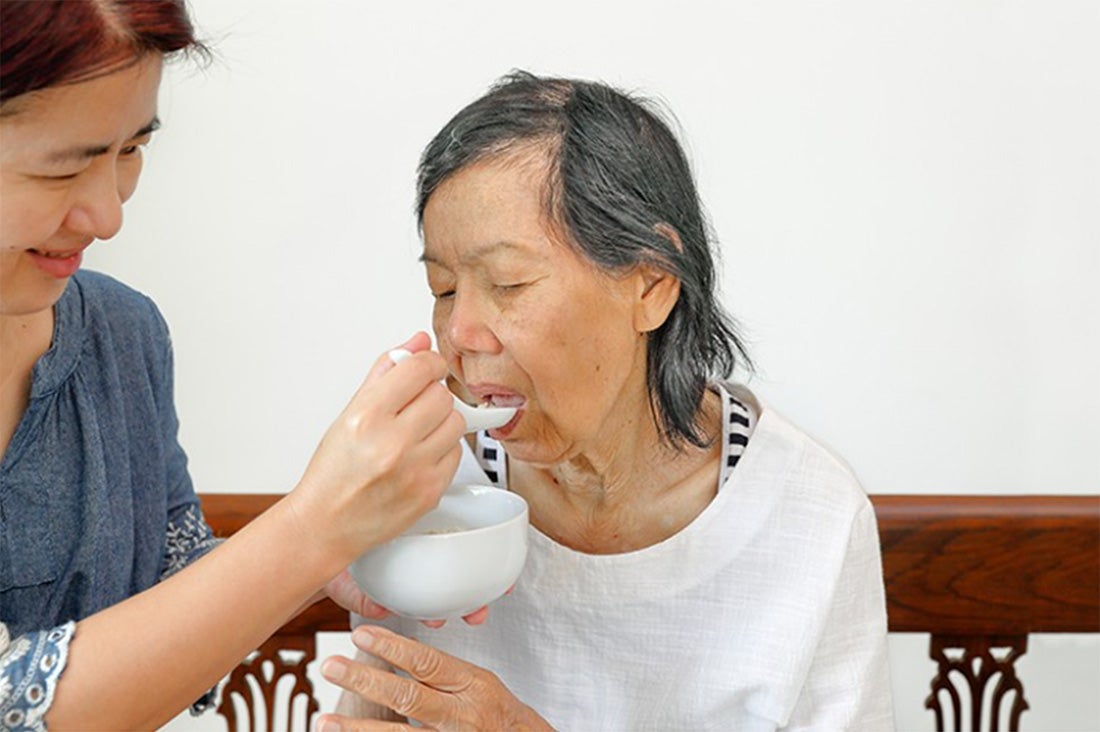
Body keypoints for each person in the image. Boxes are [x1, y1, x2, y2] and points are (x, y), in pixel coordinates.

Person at [323, 71, 895, 731]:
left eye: (508, 283)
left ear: (652, 283)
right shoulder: (425, 483)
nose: (459, 334)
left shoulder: (808, 515)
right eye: (445, 287)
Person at [0, 2, 474, 729]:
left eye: (130, 151)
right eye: (65, 166)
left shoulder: (124, 336)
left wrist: (337, 554)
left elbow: (171, 577)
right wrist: (315, 529)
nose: (109, 212)